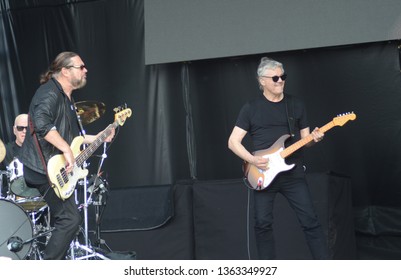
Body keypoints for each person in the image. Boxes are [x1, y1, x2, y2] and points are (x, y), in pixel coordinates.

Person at [228, 57, 329, 259]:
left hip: (293, 174)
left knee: (310, 221)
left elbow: (305, 140)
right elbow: (233, 142)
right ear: (262, 81)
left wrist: (315, 138)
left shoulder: (295, 105)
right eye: (275, 77)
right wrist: (252, 159)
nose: (280, 80)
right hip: (262, 174)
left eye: (283, 76)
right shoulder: (251, 108)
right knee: (262, 224)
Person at [20, 51, 115, 260]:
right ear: (64, 71)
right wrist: (66, 150)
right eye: (81, 67)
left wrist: (98, 137)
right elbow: (42, 125)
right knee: (70, 219)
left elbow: (72, 140)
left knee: (70, 220)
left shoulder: (66, 97)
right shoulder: (49, 93)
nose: (85, 70)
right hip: (44, 167)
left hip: (58, 166)